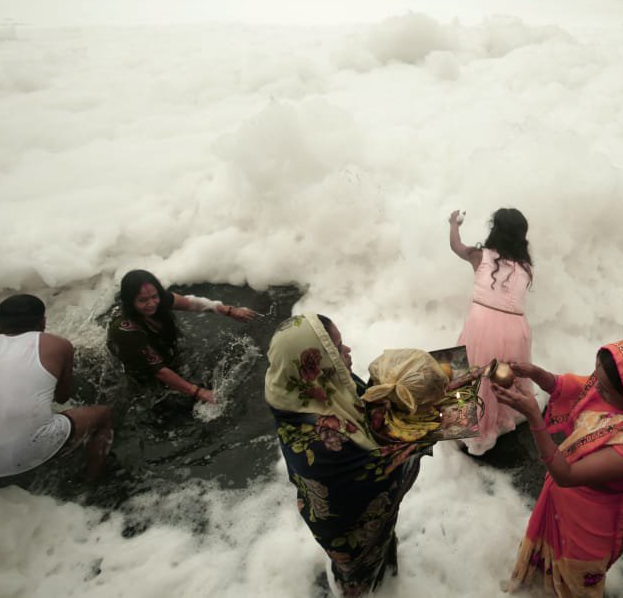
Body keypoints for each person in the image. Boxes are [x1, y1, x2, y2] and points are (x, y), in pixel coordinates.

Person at [493, 338, 623, 597]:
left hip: (585, 531)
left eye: (606, 389)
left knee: (573, 582)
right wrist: (536, 373)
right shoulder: (614, 393)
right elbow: (572, 388)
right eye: (596, 377)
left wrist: (534, 417)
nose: (595, 389)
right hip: (564, 507)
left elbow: (566, 474)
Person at [265, 314, 430, 596]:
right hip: (348, 523)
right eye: (338, 349)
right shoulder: (324, 442)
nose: (347, 351)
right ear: (316, 365)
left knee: (378, 553)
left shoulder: (302, 388)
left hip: (332, 501)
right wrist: (430, 432)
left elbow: (361, 402)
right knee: (360, 571)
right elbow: (384, 473)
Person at [0, 294, 113, 481]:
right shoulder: (59, 344)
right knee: (103, 414)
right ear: (43, 323)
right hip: (30, 450)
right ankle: (92, 479)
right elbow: (62, 397)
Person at [449, 207, 534, 454]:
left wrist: (453, 223)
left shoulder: (480, 256)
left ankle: (472, 435)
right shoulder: (526, 266)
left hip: (483, 324)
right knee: (502, 377)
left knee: (470, 374)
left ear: (495, 230)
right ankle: (499, 421)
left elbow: (456, 246)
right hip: (516, 328)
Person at [106, 269, 257, 403]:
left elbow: (192, 303)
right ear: (129, 302)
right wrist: (199, 392)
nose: (151, 303)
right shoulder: (124, 329)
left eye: (154, 297)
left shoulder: (159, 300)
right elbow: (159, 371)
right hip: (145, 375)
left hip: (165, 357)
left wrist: (228, 311)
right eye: (142, 300)